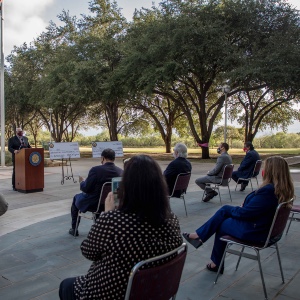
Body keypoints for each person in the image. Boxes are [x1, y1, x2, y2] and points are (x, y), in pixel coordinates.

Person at [59, 155, 183, 300]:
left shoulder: (114, 222)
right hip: (154, 290)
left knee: (65, 285)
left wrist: (107, 214)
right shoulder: (172, 219)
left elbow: (88, 251)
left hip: (113, 292)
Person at [183, 156, 294, 274]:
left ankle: (212, 256)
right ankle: (204, 244)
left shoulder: (268, 191)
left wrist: (238, 208)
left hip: (257, 232)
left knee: (223, 219)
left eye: (265, 168)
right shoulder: (283, 190)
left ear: (271, 172)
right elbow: (256, 209)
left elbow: (245, 213)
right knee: (224, 215)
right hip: (267, 230)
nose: (263, 171)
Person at [69, 148, 123, 236]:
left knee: (76, 198)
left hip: (94, 203)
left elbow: (86, 188)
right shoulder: (121, 172)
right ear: (114, 158)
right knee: (99, 198)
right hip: (111, 203)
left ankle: (74, 229)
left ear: (103, 158)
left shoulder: (95, 170)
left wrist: (82, 182)